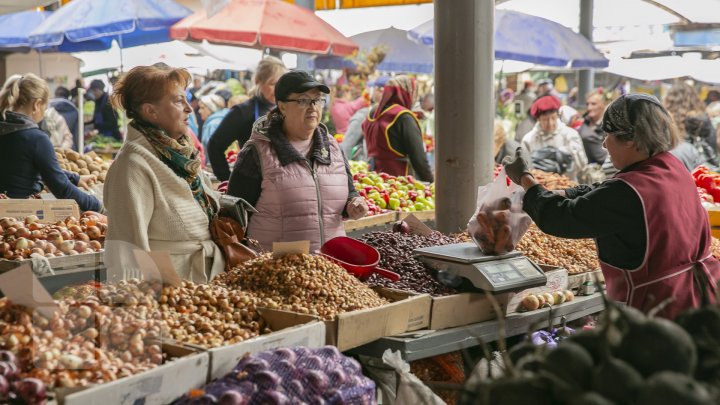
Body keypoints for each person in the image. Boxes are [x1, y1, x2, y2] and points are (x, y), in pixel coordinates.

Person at [503, 93, 720, 319]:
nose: (604, 144)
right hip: (701, 295)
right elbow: (605, 192)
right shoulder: (671, 166)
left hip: (659, 308)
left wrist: (525, 179)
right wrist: (565, 192)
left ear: (631, 140)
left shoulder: (629, 192)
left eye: (608, 135)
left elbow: (561, 217)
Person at [103, 65, 224, 282]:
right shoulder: (132, 166)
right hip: (169, 294)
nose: (189, 108)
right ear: (150, 111)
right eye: (178, 101)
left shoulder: (182, 156)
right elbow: (125, 251)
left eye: (186, 99)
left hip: (205, 292)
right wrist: (139, 306)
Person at [226, 70, 368, 252]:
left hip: (332, 267)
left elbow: (349, 192)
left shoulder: (332, 147)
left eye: (317, 100)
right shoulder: (258, 152)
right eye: (303, 100)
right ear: (282, 106)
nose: (313, 107)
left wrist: (354, 204)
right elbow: (234, 218)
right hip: (276, 270)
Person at [0, 74, 102, 212]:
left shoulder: (7, 129)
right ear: (37, 105)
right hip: (20, 216)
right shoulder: (37, 139)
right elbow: (62, 189)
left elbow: (29, 167)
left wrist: (75, 178)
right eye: (45, 107)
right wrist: (98, 206)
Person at [208, 57, 287, 182]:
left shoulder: (286, 109)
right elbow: (214, 146)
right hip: (254, 185)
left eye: (281, 84)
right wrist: (227, 180)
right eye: (272, 84)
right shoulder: (243, 112)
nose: (278, 89)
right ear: (258, 81)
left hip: (283, 182)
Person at [362, 76, 434, 182]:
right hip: (398, 182)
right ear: (408, 93)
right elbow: (419, 160)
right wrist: (430, 182)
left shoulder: (372, 112)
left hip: (373, 179)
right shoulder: (403, 116)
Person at [521, 95, 588, 181]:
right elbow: (525, 169)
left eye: (553, 118)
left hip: (568, 186)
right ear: (538, 119)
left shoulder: (571, 135)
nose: (550, 123)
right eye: (545, 119)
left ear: (558, 115)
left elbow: (582, 165)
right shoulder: (528, 140)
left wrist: (565, 156)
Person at [341, 76, 388, 162]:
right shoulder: (397, 116)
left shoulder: (364, 115)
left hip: (367, 169)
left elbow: (346, 146)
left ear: (380, 91)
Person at [664, 83, 716, 153]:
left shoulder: (664, 117)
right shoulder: (700, 118)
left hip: (670, 157)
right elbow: (712, 141)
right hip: (696, 159)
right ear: (693, 97)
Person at [578, 89, 609, 164]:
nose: (589, 108)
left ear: (604, 104)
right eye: (587, 104)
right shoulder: (582, 122)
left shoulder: (609, 126)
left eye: (593, 104)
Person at [198, 94, 229, 163]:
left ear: (212, 108)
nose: (199, 111)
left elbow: (213, 152)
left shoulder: (212, 125)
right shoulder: (225, 119)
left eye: (202, 108)